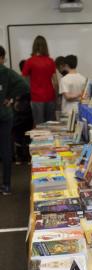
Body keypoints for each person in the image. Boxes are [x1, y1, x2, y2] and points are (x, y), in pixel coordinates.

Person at [0, 46, 29, 194]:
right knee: (5, 150)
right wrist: (10, 96)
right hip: (4, 115)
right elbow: (25, 86)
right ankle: (6, 185)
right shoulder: (7, 73)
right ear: (2, 57)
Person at [22, 35, 57, 125]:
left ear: (34, 46)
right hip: (50, 95)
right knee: (51, 124)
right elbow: (55, 82)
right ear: (45, 47)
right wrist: (56, 97)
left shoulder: (29, 61)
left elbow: (23, 81)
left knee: (39, 125)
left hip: (36, 97)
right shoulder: (51, 61)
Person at [12, 59, 33, 164]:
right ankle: (29, 158)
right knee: (29, 135)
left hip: (18, 110)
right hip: (29, 109)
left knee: (18, 136)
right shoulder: (31, 80)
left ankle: (19, 159)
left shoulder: (16, 79)